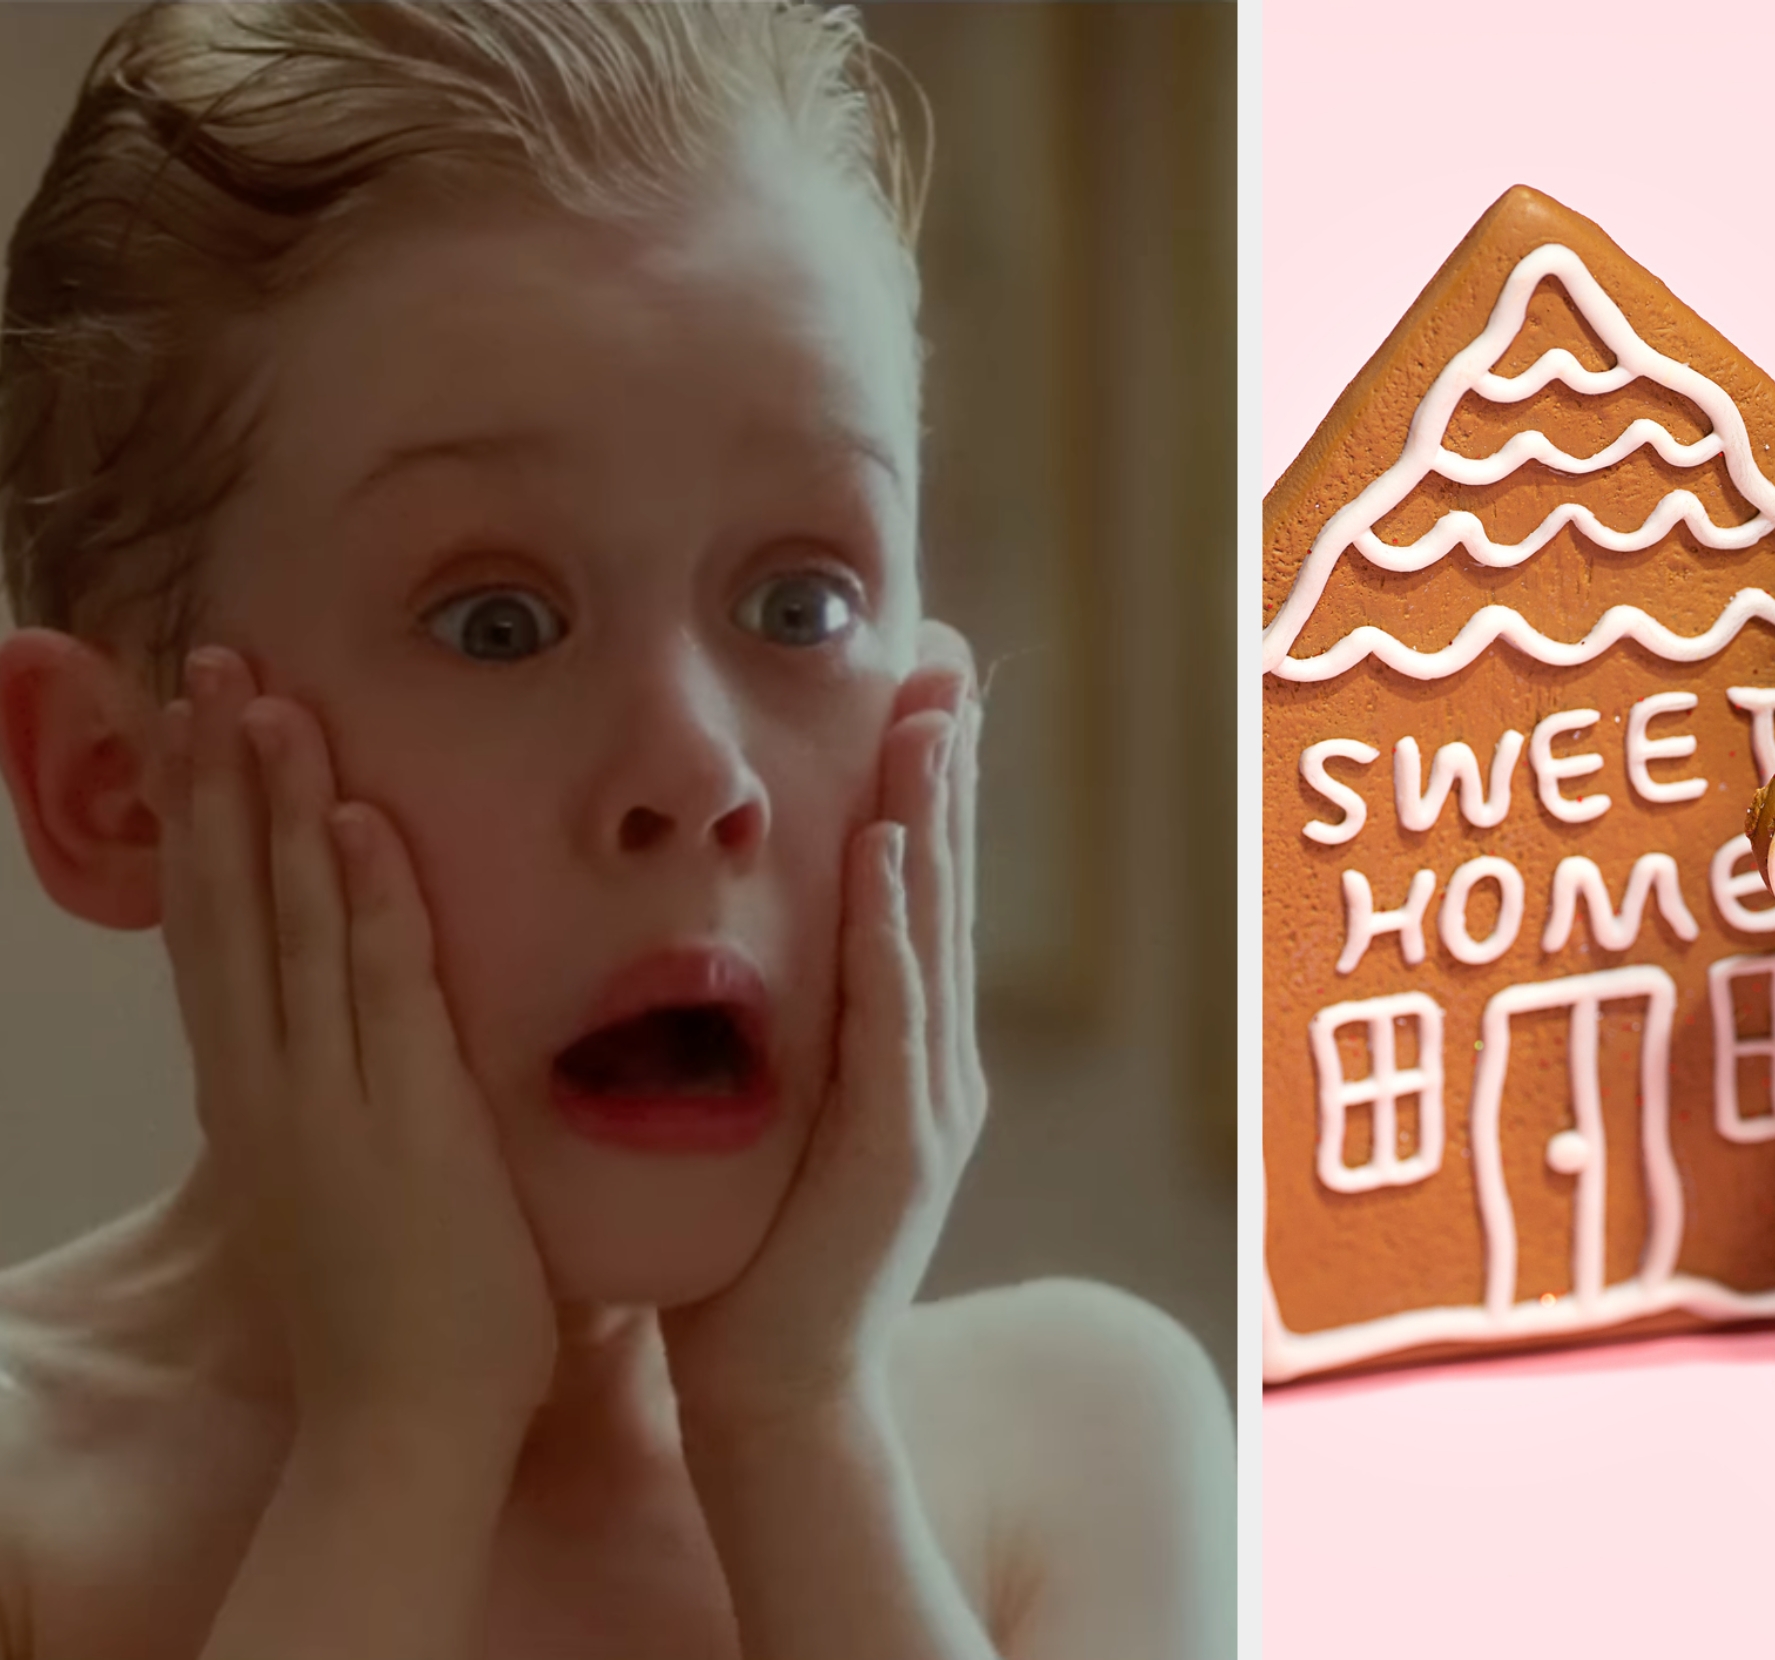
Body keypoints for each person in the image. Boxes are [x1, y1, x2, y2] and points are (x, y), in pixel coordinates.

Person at [0, 3, 1233, 1656]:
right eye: (496, 623)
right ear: (113, 787)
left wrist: (799, 1428)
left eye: (801, 602)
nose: (694, 774)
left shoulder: (1073, 1448)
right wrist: (405, 1432)